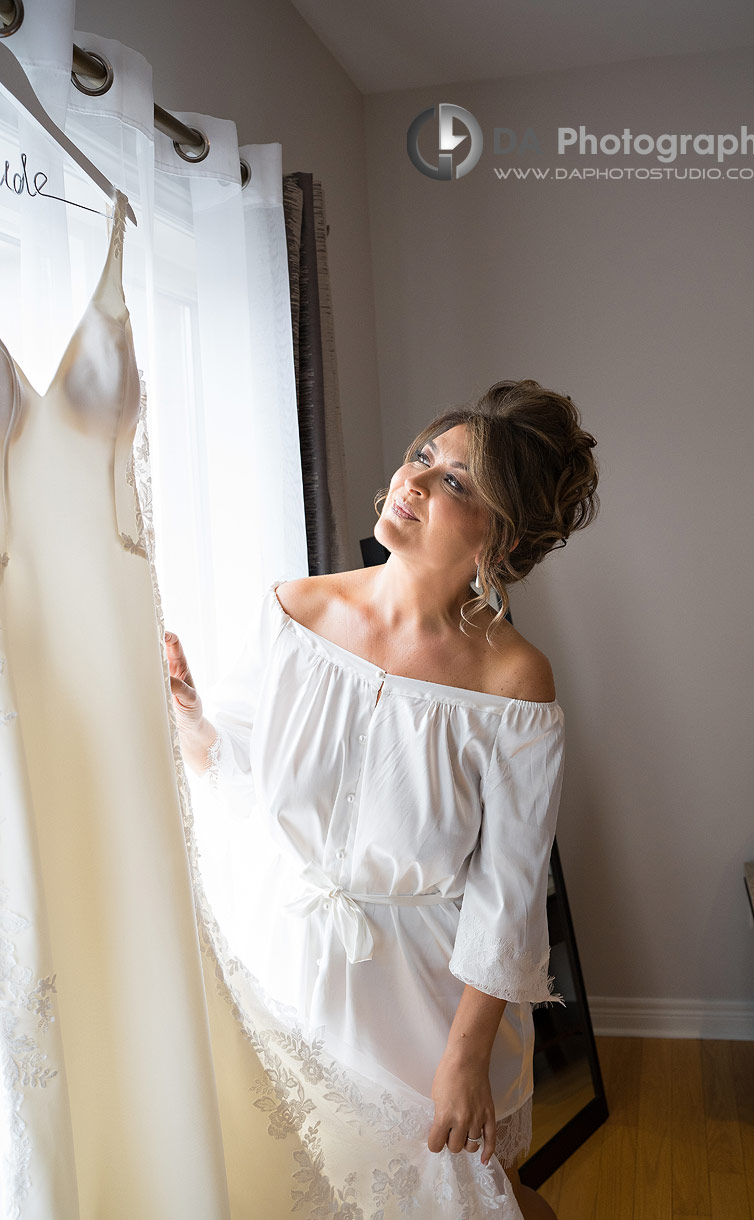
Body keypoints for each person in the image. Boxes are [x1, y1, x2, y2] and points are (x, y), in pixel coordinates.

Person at [166, 378, 599, 1219]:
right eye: (423, 456)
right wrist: (189, 714)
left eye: (455, 484)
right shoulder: (296, 610)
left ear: (498, 536)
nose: (415, 480)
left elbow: (508, 892)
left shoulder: (515, 680)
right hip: (288, 961)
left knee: (467, 1197)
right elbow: (236, 771)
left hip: (429, 1003)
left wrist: (465, 1058)